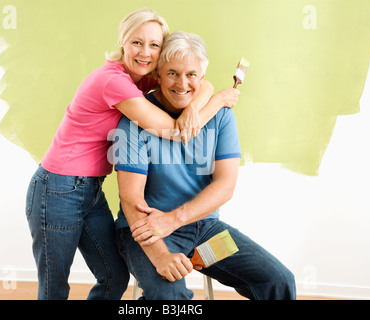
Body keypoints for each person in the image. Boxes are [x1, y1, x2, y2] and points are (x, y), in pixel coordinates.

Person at [25, 8, 238, 300]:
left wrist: (199, 102)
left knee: (114, 277)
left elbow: (199, 83)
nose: (146, 52)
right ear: (123, 41)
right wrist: (219, 102)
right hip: (58, 187)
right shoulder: (113, 81)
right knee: (54, 286)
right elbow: (175, 130)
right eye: (137, 42)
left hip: (90, 188)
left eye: (154, 45)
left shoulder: (139, 78)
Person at [111, 31, 296, 300]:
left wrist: (176, 218)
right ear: (159, 74)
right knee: (170, 297)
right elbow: (130, 199)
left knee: (278, 281)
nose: (182, 83)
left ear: (202, 76)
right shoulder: (133, 119)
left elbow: (225, 186)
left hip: (206, 230)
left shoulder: (220, 117)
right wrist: (161, 255)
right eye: (172, 73)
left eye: (191, 75)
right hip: (147, 231)